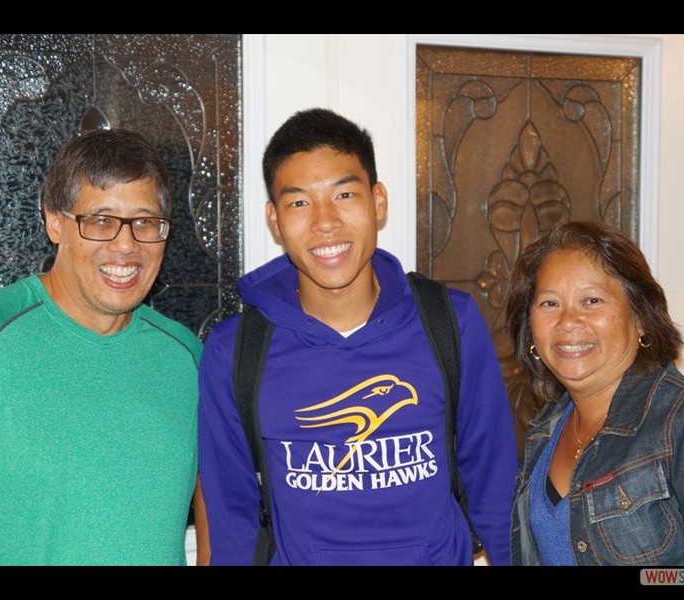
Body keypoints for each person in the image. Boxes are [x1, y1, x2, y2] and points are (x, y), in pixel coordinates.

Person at [198, 108, 516, 566]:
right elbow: (232, 514)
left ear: (378, 201)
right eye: (299, 202)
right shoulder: (234, 351)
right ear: (274, 219)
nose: (325, 222)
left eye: (344, 194)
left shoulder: (450, 322)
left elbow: (494, 481)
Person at [0, 129, 210, 565]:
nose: (126, 245)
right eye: (100, 220)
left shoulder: (188, 360)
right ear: (55, 222)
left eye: (144, 222)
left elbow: (220, 513)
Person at [505, 220, 684, 566]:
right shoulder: (544, 431)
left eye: (591, 300)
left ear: (641, 317)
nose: (568, 321)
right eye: (549, 304)